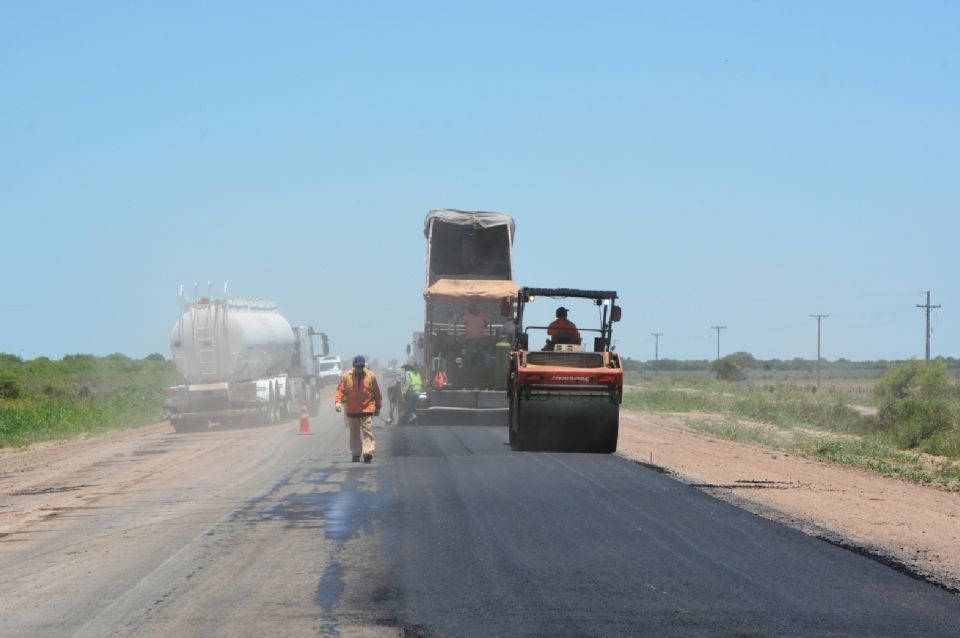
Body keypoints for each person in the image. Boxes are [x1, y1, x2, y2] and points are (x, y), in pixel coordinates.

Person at [334, 355, 382, 463]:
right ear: (354, 366)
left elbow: (377, 392)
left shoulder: (370, 376)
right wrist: (337, 402)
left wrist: (378, 406)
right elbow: (340, 390)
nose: (360, 369)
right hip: (352, 411)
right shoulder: (347, 376)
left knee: (367, 431)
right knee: (354, 433)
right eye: (358, 366)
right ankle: (356, 454)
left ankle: (367, 453)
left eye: (362, 366)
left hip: (367, 409)